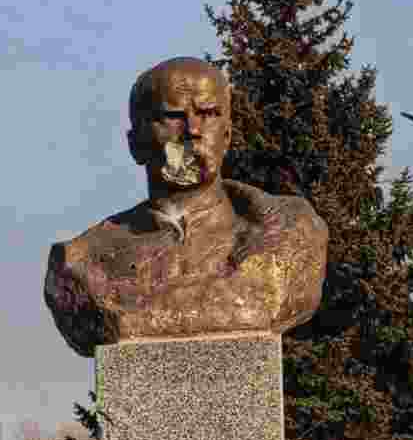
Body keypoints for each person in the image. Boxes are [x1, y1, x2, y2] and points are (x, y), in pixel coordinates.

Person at [44, 56, 328, 356]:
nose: (192, 129)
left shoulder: (293, 237)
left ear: (227, 136)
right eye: (171, 116)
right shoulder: (81, 262)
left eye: (207, 113)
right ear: (135, 144)